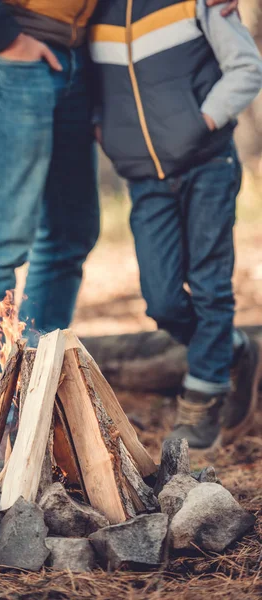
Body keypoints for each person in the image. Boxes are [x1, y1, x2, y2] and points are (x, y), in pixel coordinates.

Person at [0, 0, 238, 427]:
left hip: (73, 49)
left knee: (70, 234)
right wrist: (5, 38)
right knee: (1, 236)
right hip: (6, 41)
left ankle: (37, 397)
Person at [91, 0, 262, 449]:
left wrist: (200, 121)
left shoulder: (197, 2)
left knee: (209, 286)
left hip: (208, 163)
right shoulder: (92, 14)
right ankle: (232, 348)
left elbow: (246, 67)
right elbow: (90, 89)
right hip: (145, 179)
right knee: (162, 299)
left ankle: (202, 400)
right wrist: (105, 130)